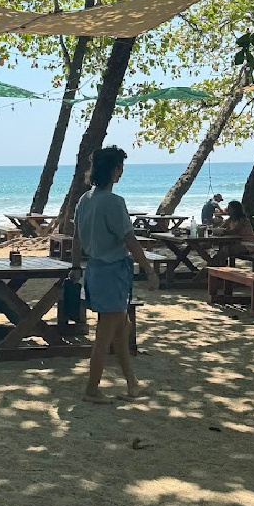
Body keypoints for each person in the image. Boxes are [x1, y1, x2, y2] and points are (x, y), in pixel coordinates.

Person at [71, 146, 159, 403]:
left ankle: (132, 382)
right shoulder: (113, 202)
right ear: (113, 171)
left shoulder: (84, 200)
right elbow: (129, 239)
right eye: (119, 167)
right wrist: (149, 269)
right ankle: (92, 389)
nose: (121, 172)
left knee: (123, 327)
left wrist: (76, 267)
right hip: (112, 272)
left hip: (94, 270)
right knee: (106, 333)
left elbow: (76, 238)